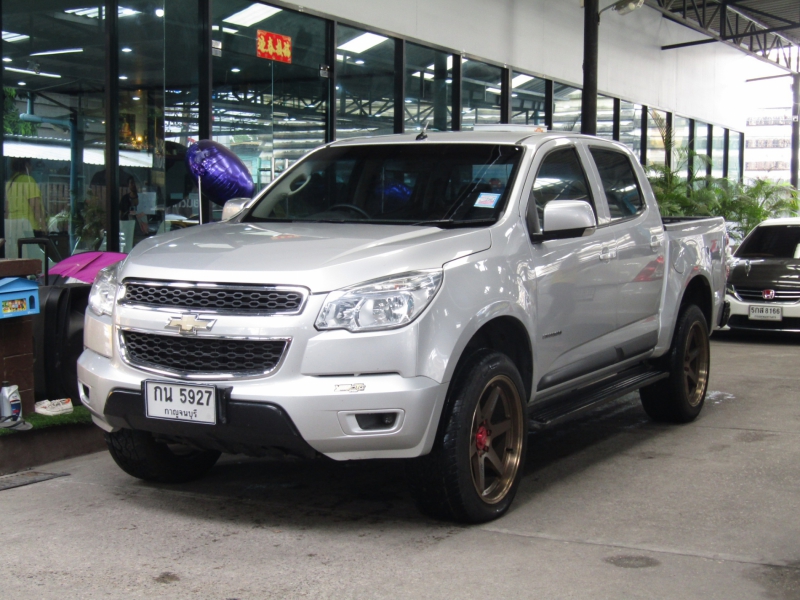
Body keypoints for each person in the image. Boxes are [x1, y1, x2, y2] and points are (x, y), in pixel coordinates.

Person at [4, 157, 45, 259]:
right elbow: (36, 206)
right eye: (30, 165)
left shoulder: (10, 183)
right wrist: (43, 225)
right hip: (29, 227)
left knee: (20, 255)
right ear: (26, 165)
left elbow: (6, 208)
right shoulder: (28, 180)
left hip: (13, 227)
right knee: (34, 258)